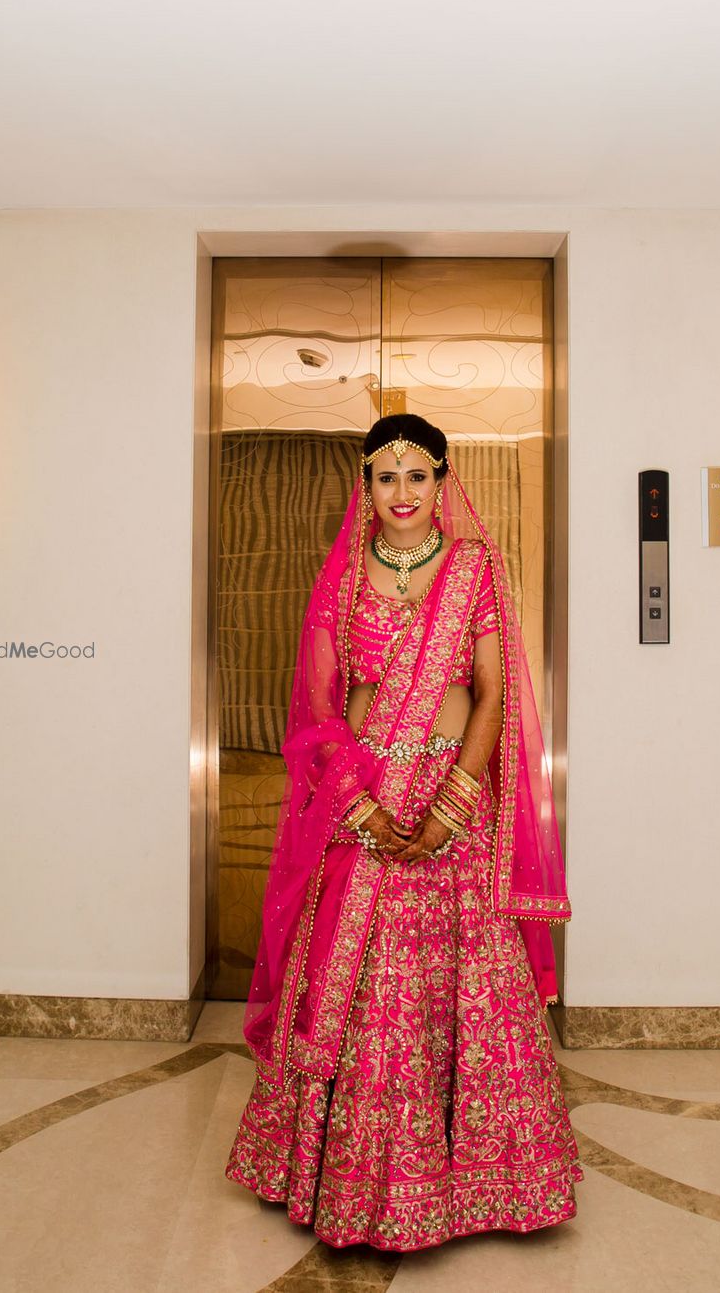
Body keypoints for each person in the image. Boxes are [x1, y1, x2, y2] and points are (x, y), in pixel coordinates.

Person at [225, 412, 584, 1252]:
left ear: (441, 482)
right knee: (369, 985)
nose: (402, 492)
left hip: (454, 807)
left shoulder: (475, 569)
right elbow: (319, 710)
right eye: (385, 476)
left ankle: (489, 1180)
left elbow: (494, 692)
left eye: (417, 474)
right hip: (367, 804)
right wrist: (361, 806)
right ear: (366, 487)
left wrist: (457, 798)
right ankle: (352, 1178)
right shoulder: (344, 578)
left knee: (469, 985)